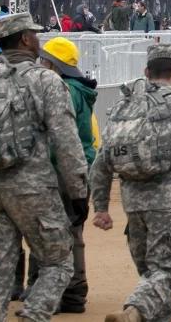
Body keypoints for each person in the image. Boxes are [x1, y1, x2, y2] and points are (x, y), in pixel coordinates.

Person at [0, 13, 88, 321]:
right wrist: (78, 190)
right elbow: (66, 140)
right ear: (26, 39)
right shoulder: (44, 80)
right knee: (58, 262)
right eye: (34, 34)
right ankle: (34, 315)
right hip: (31, 188)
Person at [90, 44, 171, 322]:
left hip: (132, 204)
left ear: (146, 72)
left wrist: (101, 206)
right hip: (168, 203)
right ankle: (134, 310)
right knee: (169, 268)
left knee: (151, 274)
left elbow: (102, 160)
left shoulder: (122, 107)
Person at [34, 37, 100, 314]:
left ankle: (66, 291)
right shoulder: (77, 89)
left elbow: (57, 136)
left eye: (44, 60)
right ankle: (73, 290)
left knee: (58, 232)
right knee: (73, 230)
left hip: (59, 168)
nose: (39, 63)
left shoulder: (62, 90)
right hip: (77, 165)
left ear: (53, 64)